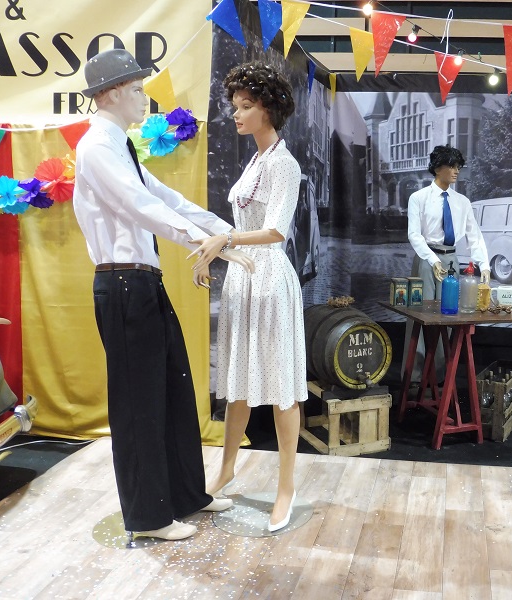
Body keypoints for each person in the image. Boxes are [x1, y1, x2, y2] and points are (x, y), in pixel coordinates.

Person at [73, 49, 254, 540]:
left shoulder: (121, 146)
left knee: (173, 389)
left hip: (143, 283)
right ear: (111, 94)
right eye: (135, 90)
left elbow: (168, 199)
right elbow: (139, 206)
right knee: (138, 402)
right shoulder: (96, 147)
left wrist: (224, 233)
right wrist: (203, 242)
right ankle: (149, 516)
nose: (143, 98)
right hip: (123, 285)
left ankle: (186, 495)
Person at [190, 61, 307, 533]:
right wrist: (215, 249)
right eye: (235, 105)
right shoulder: (257, 160)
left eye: (245, 106)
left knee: (281, 385)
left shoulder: (284, 164)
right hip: (244, 278)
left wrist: (226, 240)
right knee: (239, 378)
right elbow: (240, 227)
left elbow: (276, 230)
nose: (236, 114)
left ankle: (286, 487)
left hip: (271, 280)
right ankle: (225, 469)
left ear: (268, 109)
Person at [403, 145, 490, 380]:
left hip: (451, 259)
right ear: (437, 168)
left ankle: (440, 376)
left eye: (458, 166)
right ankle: (414, 376)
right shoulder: (418, 198)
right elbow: (414, 235)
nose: (456, 171)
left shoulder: (462, 202)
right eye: (451, 166)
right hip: (426, 258)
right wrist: (432, 260)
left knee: (448, 314)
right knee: (420, 313)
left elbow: (474, 236)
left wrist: (484, 265)